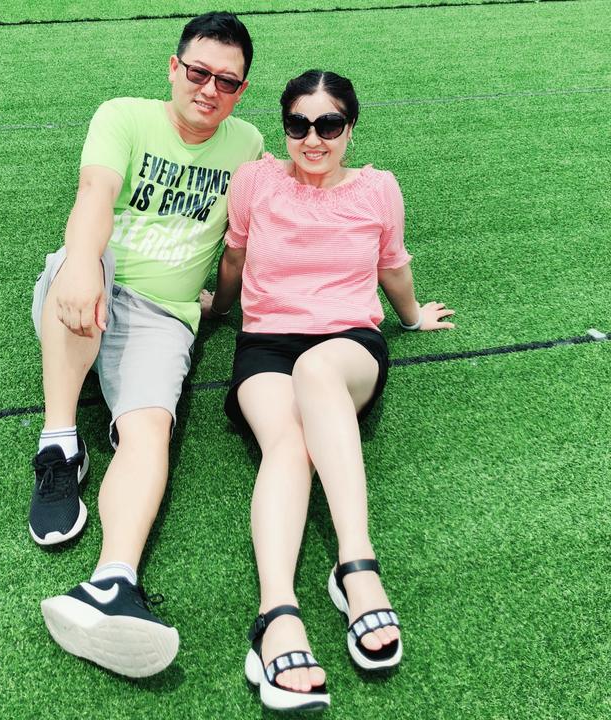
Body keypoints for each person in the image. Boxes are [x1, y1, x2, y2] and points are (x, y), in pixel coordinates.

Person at [202, 70, 455, 710]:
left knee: (317, 370)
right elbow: (234, 258)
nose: (312, 139)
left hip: (347, 344)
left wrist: (412, 317)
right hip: (266, 343)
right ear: (285, 126)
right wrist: (220, 310)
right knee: (287, 447)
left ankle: (356, 568)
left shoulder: (378, 189)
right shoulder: (256, 181)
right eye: (298, 124)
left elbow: (392, 265)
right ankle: (277, 614)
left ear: (350, 127)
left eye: (328, 124)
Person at [28, 12, 263, 678]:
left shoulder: (248, 143)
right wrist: (82, 262)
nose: (209, 89)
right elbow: (95, 193)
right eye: (199, 72)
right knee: (79, 264)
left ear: (241, 90)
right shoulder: (124, 116)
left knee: (150, 429)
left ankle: (112, 582)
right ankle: (60, 444)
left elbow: (247, 238)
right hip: (93, 285)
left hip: (166, 317)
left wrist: (222, 305)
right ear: (174, 67)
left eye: (227, 81)